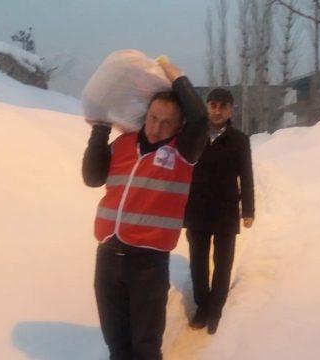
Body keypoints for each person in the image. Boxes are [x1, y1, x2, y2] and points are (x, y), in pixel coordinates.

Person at [82, 60, 208, 360]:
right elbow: (92, 178)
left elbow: (201, 119)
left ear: (179, 127)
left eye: (167, 122)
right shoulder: (123, 143)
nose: (157, 127)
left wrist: (177, 76)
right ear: (145, 115)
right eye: (153, 118)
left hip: (148, 265)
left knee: (145, 347)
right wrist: (100, 130)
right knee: (117, 345)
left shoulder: (182, 152)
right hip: (108, 257)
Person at [183, 88, 255, 335]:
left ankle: (216, 310)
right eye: (213, 104)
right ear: (207, 106)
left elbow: (246, 176)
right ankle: (202, 307)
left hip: (225, 211)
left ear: (230, 109)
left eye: (223, 106)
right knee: (198, 263)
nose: (217, 110)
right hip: (196, 210)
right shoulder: (193, 136)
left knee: (223, 263)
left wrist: (248, 209)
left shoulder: (240, 140)